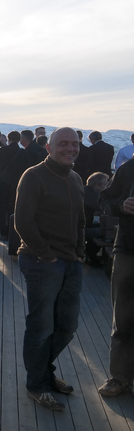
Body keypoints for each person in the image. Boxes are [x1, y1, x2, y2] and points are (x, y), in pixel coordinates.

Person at [14, 127, 84, 411]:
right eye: (63, 144)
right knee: (42, 326)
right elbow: (22, 221)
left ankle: (44, 373)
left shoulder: (76, 178)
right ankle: (37, 384)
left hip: (71, 262)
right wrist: (46, 255)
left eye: (75, 144)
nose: (70, 148)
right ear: (49, 147)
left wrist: (79, 253)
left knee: (66, 326)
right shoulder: (33, 176)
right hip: (42, 261)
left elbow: (80, 219)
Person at [97, 158, 134, 397]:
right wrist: (121, 205)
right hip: (128, 251)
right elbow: (104, 200)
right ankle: (120, 377)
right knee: (122, 316)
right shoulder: (129, 168)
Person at [0, 131, 26, 240]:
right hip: (16, 184)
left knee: (1, 208)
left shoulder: (4, 150)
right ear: (19, 139)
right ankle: (12, 233)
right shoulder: (22, 152)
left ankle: (3, 232)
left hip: (2, 183)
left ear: (8, 139)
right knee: (12, 208)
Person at [83, 172, 109, 265]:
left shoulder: (85, 191)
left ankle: (91, 255)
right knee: (105, 232)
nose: (107, 187)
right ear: (97, 185)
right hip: (81, 228)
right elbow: (102, 207)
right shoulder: (90, 195)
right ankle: (92, 256)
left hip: (84, 225)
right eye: (106, 184)